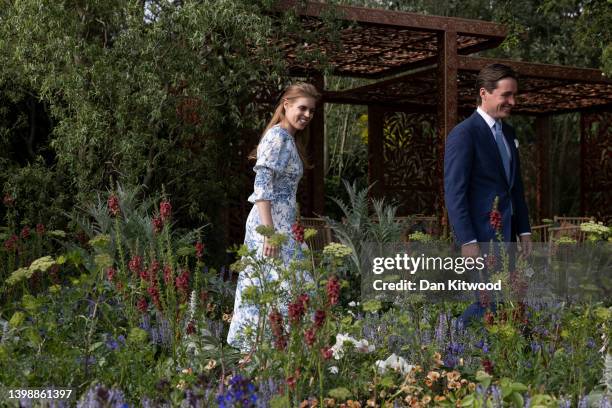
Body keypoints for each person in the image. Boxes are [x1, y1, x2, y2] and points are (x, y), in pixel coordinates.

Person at [227, 82, 320, 349]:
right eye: (302, 108)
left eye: (311, 111)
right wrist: (269, 235)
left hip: (285, 225)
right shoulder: (276, 137)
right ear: (286, 104)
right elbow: (262, 188)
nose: (307, 115)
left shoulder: (290, 140)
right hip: (269, 228)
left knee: (292, 288)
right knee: (274, 287)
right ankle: (257, 354)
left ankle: (284, 353)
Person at [444, 63, 532, 324]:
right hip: (481, 238)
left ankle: (498, 359)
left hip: (508, 239)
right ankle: (448, 344)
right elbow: (454, 192)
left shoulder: (508, 133)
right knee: (488, 302)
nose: (512, 101)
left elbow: (514, 187)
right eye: (506, 95)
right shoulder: (464, 134)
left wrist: (524, 230)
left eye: (514, 95)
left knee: (509, 303)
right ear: (484, 93)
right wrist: (467, 240)